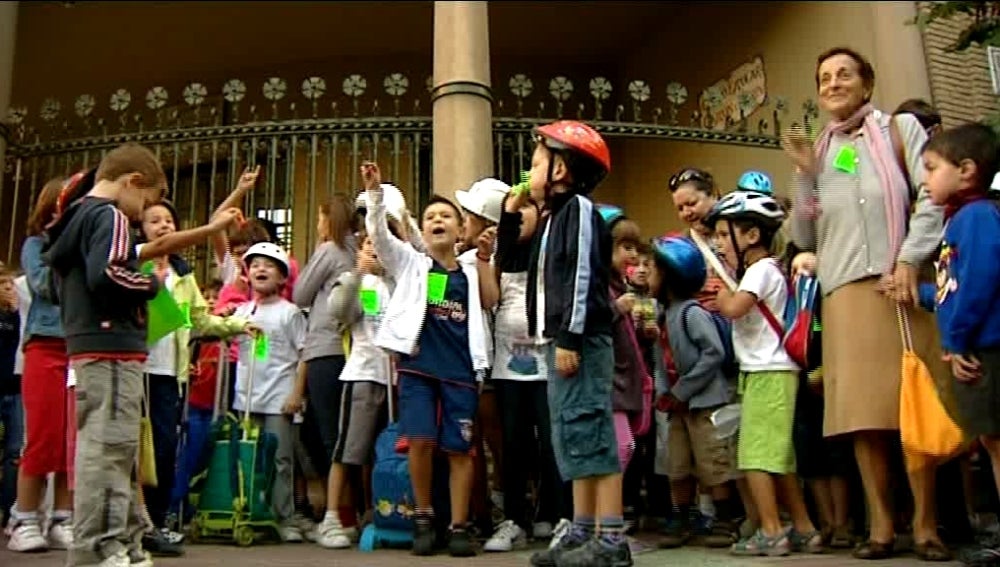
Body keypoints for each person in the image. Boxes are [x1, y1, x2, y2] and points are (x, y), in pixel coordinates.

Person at [782, 46, 950, 561]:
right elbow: (806, 230)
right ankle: (879, 526)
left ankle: (925, 526)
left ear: (867, 83)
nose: (833, 83)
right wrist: (806, 175)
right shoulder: (825, 147)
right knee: (864, 416)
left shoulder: (899, 130)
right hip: (845, 292)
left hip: (898, 284)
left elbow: (930, 195)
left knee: (912, 407)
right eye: (824, 77)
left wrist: (909, 258)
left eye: (844, 74)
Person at [42, 143, 169, 567]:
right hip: (113, 346)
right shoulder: (109, 216)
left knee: (102, 447)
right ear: (132, 183)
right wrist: (151, 286)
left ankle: (120, 542)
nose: (140, 215)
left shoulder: (75, 219)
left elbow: (60, 284)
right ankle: (101, 546)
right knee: (111, 449)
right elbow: (110, 272)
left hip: (89, 344)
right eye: (145, 203)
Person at [362, 161, 490, 558]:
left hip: (461, 373)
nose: (438, 220)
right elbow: (381, 239)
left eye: (446, 216)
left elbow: (492, 301)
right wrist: (375, 195)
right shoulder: (411, 265)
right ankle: (423, 516)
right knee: (418, 442)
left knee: (459, 450)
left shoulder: (469, 270)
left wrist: (485, 259)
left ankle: (459, 525)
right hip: (417, 368)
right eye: (431, 216)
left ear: (459, 230)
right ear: (424, 227)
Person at [517, 120, 627, 567]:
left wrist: (570, 336)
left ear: (561, 169)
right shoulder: (551, 218)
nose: (530, 171)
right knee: (572, 437)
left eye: (538, 161)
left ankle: (611, 539)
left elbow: (581, 276)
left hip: (578, 341)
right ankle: (582, 530)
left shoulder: (579, 209)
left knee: (592, 433)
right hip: (558, 341)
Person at [135, 200, 253, 555]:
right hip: (136, 370)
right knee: (134, 450)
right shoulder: (133, 263)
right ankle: (133, 524)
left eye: (169, 220)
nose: (163, 226)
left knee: (166, 448)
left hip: (170, 374)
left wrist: (236, 325)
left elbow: (201, 319)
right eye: (154, 220)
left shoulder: (183, 275)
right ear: (142, 229)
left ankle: (156, 524)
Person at [708, 191, 821, 556]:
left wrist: (719, 296)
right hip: (768, 372)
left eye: (725, 235)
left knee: (754, 457)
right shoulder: (767, 269)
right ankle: (804, 528)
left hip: (768, 372)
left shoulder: (760, 270)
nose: (719, 243)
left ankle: (772, 530)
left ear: (752, 236)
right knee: (778, 458)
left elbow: (737, 308)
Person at [918, 123, 1000, 564]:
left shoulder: (977, 216)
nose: (925, 178)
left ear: (966, 170)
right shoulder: (961, 220)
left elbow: (982, 281)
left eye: (932, 168)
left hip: (985, 348)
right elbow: (955, 287)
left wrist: (956, 339)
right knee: (990, 442)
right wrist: (925, 295)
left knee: (997, 442)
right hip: (974, 343)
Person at [486, 188, 572, 553]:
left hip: (547, 366)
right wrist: (511, 208)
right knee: (514, 444)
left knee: (553, 443)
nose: (521, 215)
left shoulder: (549, 251)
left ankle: (560, 516)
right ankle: (514, 519)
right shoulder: (501, 256)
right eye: (514, 213)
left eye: (529, 210)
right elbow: (506, 233)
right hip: (508, 369)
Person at [647, 235, 736, 550]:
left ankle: (725, 519)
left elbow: (712, 353)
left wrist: (682, 390)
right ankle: (681, 517)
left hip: (702, 403)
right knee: (678, 464)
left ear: (671, 275)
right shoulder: (661, 316)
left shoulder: (692, 313)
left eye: (653, 268)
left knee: (713, 462)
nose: (647, 273)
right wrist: (662, 391)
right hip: (677, 407)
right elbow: (660, 361)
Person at [315, 228, 393, 549]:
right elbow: (339, 311)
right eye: (370, 244)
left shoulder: (401, 281)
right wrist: (358, 273)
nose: (376, 249)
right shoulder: (357, 281)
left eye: (383, 243)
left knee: (384, 453)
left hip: (397, 378)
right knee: (348, 449)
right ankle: (332, 517)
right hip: (363, 373)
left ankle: (379, 512)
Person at [231, 242, 308, 543]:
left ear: (282, 278)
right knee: (249, 459)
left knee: (281, 459)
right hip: (246, 398)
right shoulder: (241, 311)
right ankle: (252, 513)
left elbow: (304, 355)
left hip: (279, 398)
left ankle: (285, 518)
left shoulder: (290, 313)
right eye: (255, 265)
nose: (260, 269)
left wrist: (296, 394)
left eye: (269, 265)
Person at [292, 194, 357, 539]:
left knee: (329, 434)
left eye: (320, 218)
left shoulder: (330, 250)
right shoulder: (356, 251)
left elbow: (300, 294)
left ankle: (339, 512)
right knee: (346, 430)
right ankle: (351, 508)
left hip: (324, 349)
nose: (317, 225)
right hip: (349, 350)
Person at [453, 178, 506, 537]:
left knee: (494, 438)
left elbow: (491, 300)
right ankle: (479, 511)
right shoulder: (458, 260)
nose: (463, 222)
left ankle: (499, 504)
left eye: (469, 216)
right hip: (466, 361)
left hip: (489, 361)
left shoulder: (491, 259)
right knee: (471, 440)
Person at [0, 268, 21, 531]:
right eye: (2, 283)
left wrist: (16, 313)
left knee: (16, 452)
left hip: (16, 390)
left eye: (10, 283)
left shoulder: (21, 317)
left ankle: (10, 511)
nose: (8, 287)